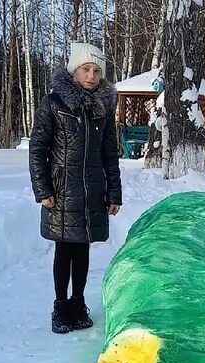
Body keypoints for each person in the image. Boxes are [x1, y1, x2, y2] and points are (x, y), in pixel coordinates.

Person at [29, 42, 123, 333]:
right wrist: (43, 189)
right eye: (86, 69)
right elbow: (38, 148)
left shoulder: (104, 108)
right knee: (64, 249)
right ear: (74, 70)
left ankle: (78, 303)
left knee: (83, 249)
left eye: (97, 70)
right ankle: (61, 306)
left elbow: (110, 151)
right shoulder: (53, 104)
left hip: (92, 190)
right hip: (61, 190)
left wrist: (114, 192)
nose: (92, 75)